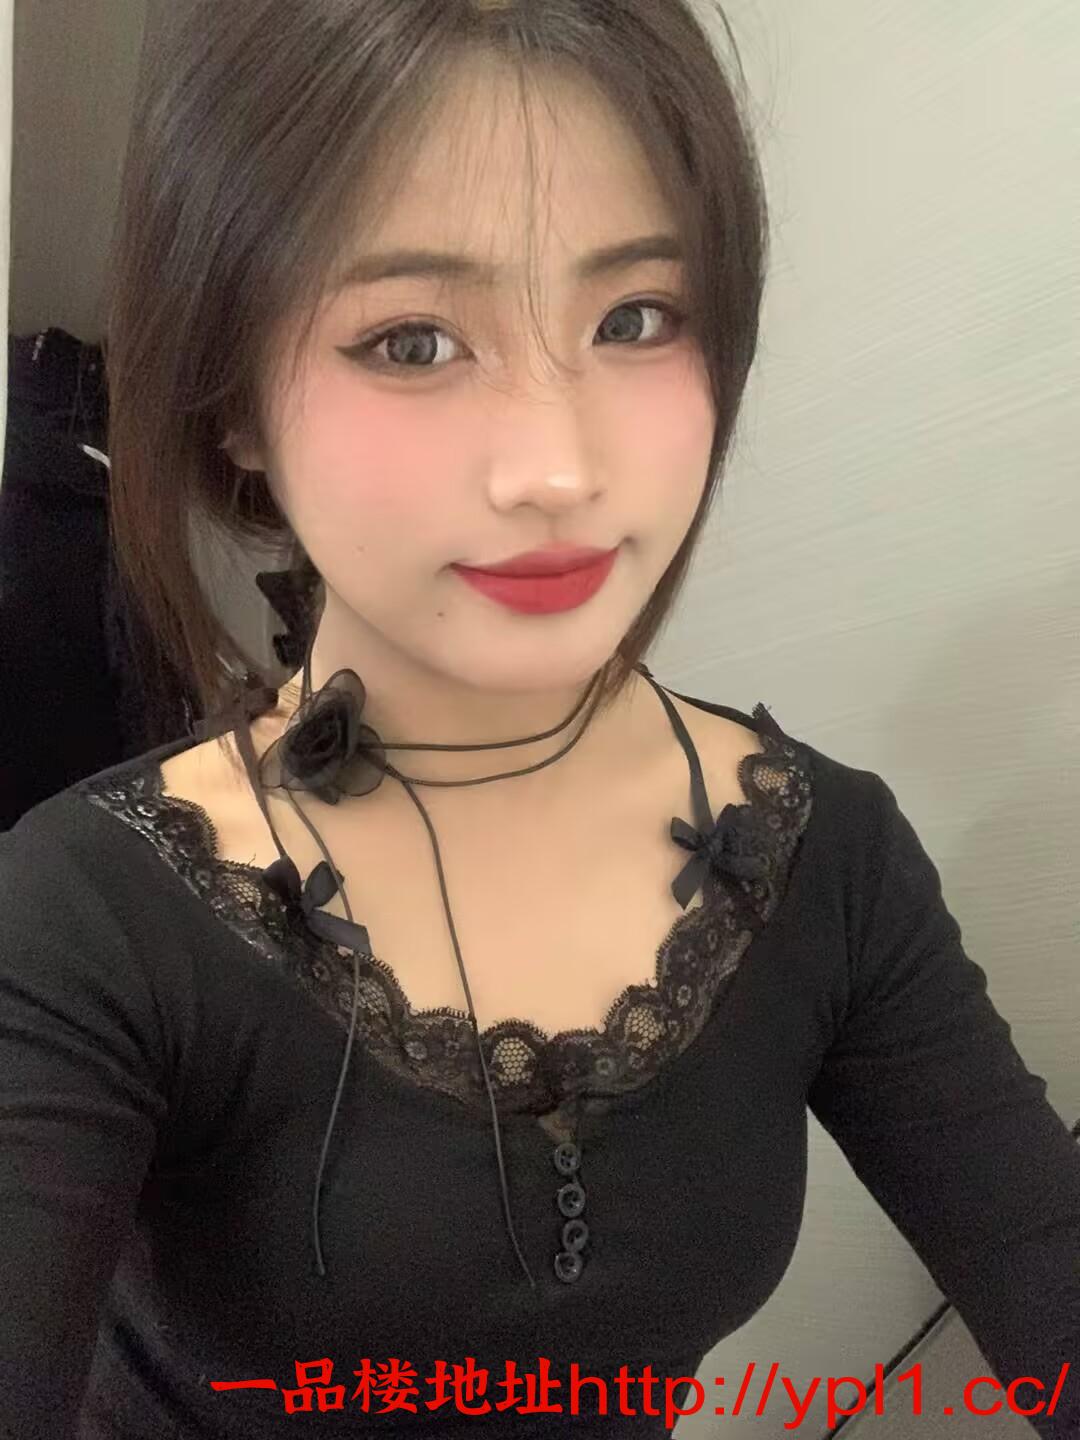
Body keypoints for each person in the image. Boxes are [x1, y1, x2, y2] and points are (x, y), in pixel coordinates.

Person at [2, 1, 1078, 1437]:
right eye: (412, 340)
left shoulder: (827, 857)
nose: (558, 468)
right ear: (235, 403)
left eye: (634, 319)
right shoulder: (84, 915)